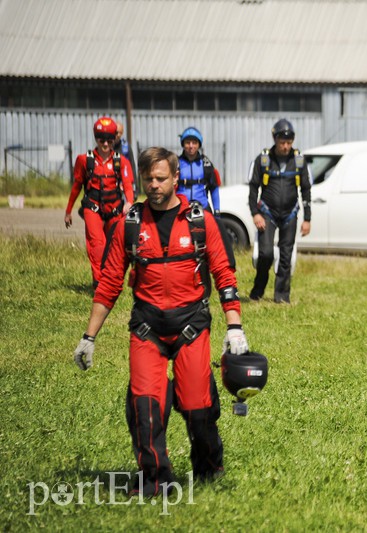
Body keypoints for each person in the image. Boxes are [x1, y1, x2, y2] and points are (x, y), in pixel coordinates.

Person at [72, 146, 249, 496]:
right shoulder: (129, 224)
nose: (153, 185)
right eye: (148, 178)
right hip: (147, 328)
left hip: (192, 326)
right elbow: (109, 283)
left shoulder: (200, 220)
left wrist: (235, 327)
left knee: (199, 410)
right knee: (145, 408)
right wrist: (88, 337)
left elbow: (224, 275)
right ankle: (156, 480)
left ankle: (209, 467)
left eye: (161, 178)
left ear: (176, 178)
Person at [65, 117, 134, 287]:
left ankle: (112, 279)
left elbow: (127, 184)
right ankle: (100, 281)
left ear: (114, 139)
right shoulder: (84, 160)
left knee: (114, 246)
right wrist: (68, 211)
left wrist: (129, 202)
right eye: (101, 140)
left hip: (115, 209)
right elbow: (76, 187)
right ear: (96, 139)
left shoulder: (121, 161)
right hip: (92, 208)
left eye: (109, 140)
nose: (105, 144)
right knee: (97, 245)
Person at [248, 118, 311, 303]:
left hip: (290, 214)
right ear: (274, 139)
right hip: (267, 213)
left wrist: (307, 218)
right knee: (265, 254)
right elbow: (253, 188)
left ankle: (282, 297)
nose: (286, 146)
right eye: (282, 142)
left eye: (289, 142)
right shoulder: (264, 160)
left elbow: (306, 189)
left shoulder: (299, 160)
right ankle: (258, 290)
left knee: (286, 255)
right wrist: (255, 213)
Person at [177, 127, 222, 215]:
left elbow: (214, 188)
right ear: (183, 144)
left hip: (203, 208)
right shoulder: (176, 163)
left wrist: (217, 210)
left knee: (219, 228)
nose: (191, 146)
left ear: (199, 145)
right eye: (187, 143)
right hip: (181, 210)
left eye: (194, 143)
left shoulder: (206, 163)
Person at [114, 120, 137, 189]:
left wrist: (134, 186)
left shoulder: (126, 147)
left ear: (122, 133)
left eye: (119, 133)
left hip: (123, 181)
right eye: (115, 132)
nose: (117, 135)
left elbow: (132, 166)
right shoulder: (105, 146)